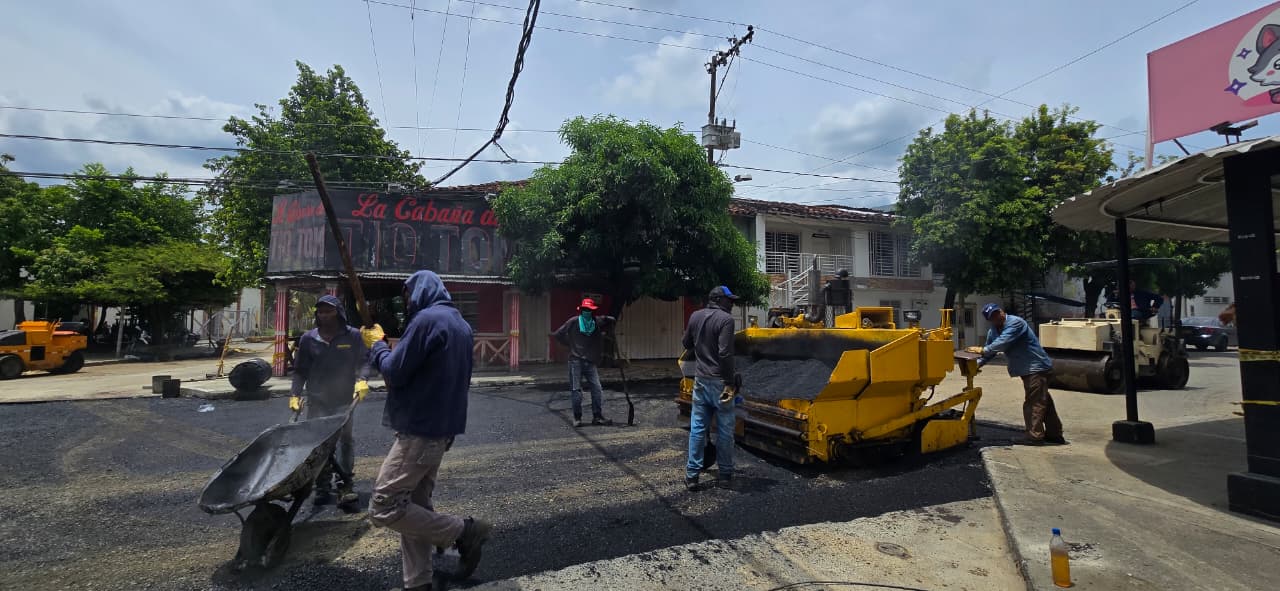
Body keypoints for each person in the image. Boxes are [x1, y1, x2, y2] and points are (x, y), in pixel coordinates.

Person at [361, 270, 492, 589]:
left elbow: (394, 371)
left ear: (422, 290)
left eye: (407, 294)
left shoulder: (426, 321)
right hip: (441, 430)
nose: (406, 301)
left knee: (384, 506)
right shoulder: (461, 324)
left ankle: (464, 531)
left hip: (419, 430)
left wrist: (377, 346)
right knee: (415, 507)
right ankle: (418, 581)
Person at [289, 294, 371, 509]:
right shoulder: (308, 339)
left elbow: (363, 361)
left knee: (345, 441)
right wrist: (295, 394)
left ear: (339, 312)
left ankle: (345, 485)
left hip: (344, 399)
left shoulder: (352, 336)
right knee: (318, 444)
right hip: (317, 400)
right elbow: (300, 371)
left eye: (329, 311)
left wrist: (362, 380)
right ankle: (322, 485)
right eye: (321, 312)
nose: (324, 315)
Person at [965, 303, 1066, 446]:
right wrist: (977, 365)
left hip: (1036, 368)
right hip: (1027, 370)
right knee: (1043, 401)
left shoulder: (1016, 323)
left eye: (997, 312)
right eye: (993, 316)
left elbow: (1002, 342)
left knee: (1034, 403)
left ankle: (1034, 437)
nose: (997, 316)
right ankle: (1054, 434)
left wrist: (982, 350)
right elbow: (990, 352)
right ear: (990, 320)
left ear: (1002, 311)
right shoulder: (993, 331)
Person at [681, 285, 741, 491]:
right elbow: (725, 353)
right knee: (724, 431)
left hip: (701, 380)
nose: (732, 304)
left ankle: (692, 476)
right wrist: (730, 381)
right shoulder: (726, 320)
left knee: (698, 429)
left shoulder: (695, 316)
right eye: (729, 300)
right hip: (720, 382)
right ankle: (725, 475)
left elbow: (686, 343)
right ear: (717, 299)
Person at [552, 298, 616, 427]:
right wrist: (570, 344)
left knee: (597, 389)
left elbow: (606, 319)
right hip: (575, 361)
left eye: (589, 310)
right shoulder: (573, 321)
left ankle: (597, 416)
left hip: (590, 361)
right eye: (585, 309)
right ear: (581, 310)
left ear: (592, 311)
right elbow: (558, 334)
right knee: (576, 390)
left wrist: (609, 318)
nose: (587, 312)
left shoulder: (595, 322)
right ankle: (577, 418)